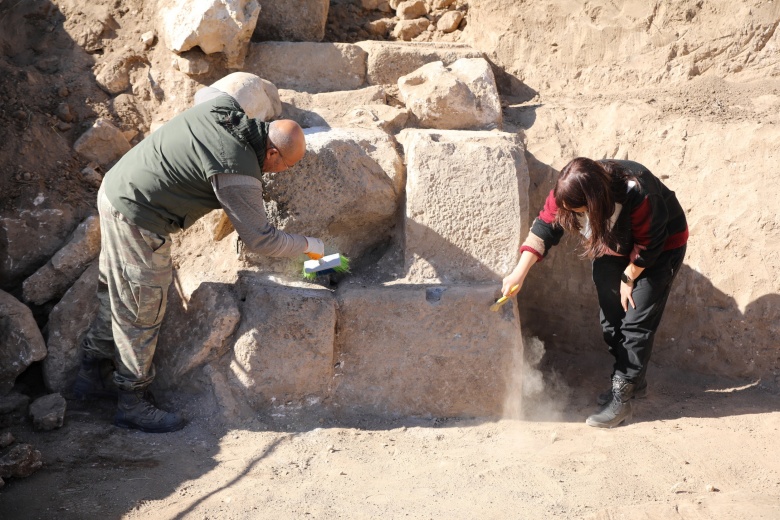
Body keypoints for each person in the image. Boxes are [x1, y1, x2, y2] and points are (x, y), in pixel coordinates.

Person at [72, 73, 326, 433]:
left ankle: (88, 377)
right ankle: (132, 403)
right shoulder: (237, 169)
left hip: (118, 188)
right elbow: (261, 239)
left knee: (120, 293)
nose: (280, 173)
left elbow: (207, 91)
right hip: (138, 216)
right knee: (142, 306)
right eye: (285, 166)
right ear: (271, 151)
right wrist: (309, 247)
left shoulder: (225, 108)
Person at [501, 157, 688, 428]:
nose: (574, 215)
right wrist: (519, 273)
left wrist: (630, 276)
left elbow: (650, 242)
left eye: (579, 210)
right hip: (613, 244)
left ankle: (621, 399)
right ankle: (634, 382)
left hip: (659, 250)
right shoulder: (567, 192)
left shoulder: (638, 192)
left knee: (635, 323)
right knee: (612, 321)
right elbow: (544, 227)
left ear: (595, 201)